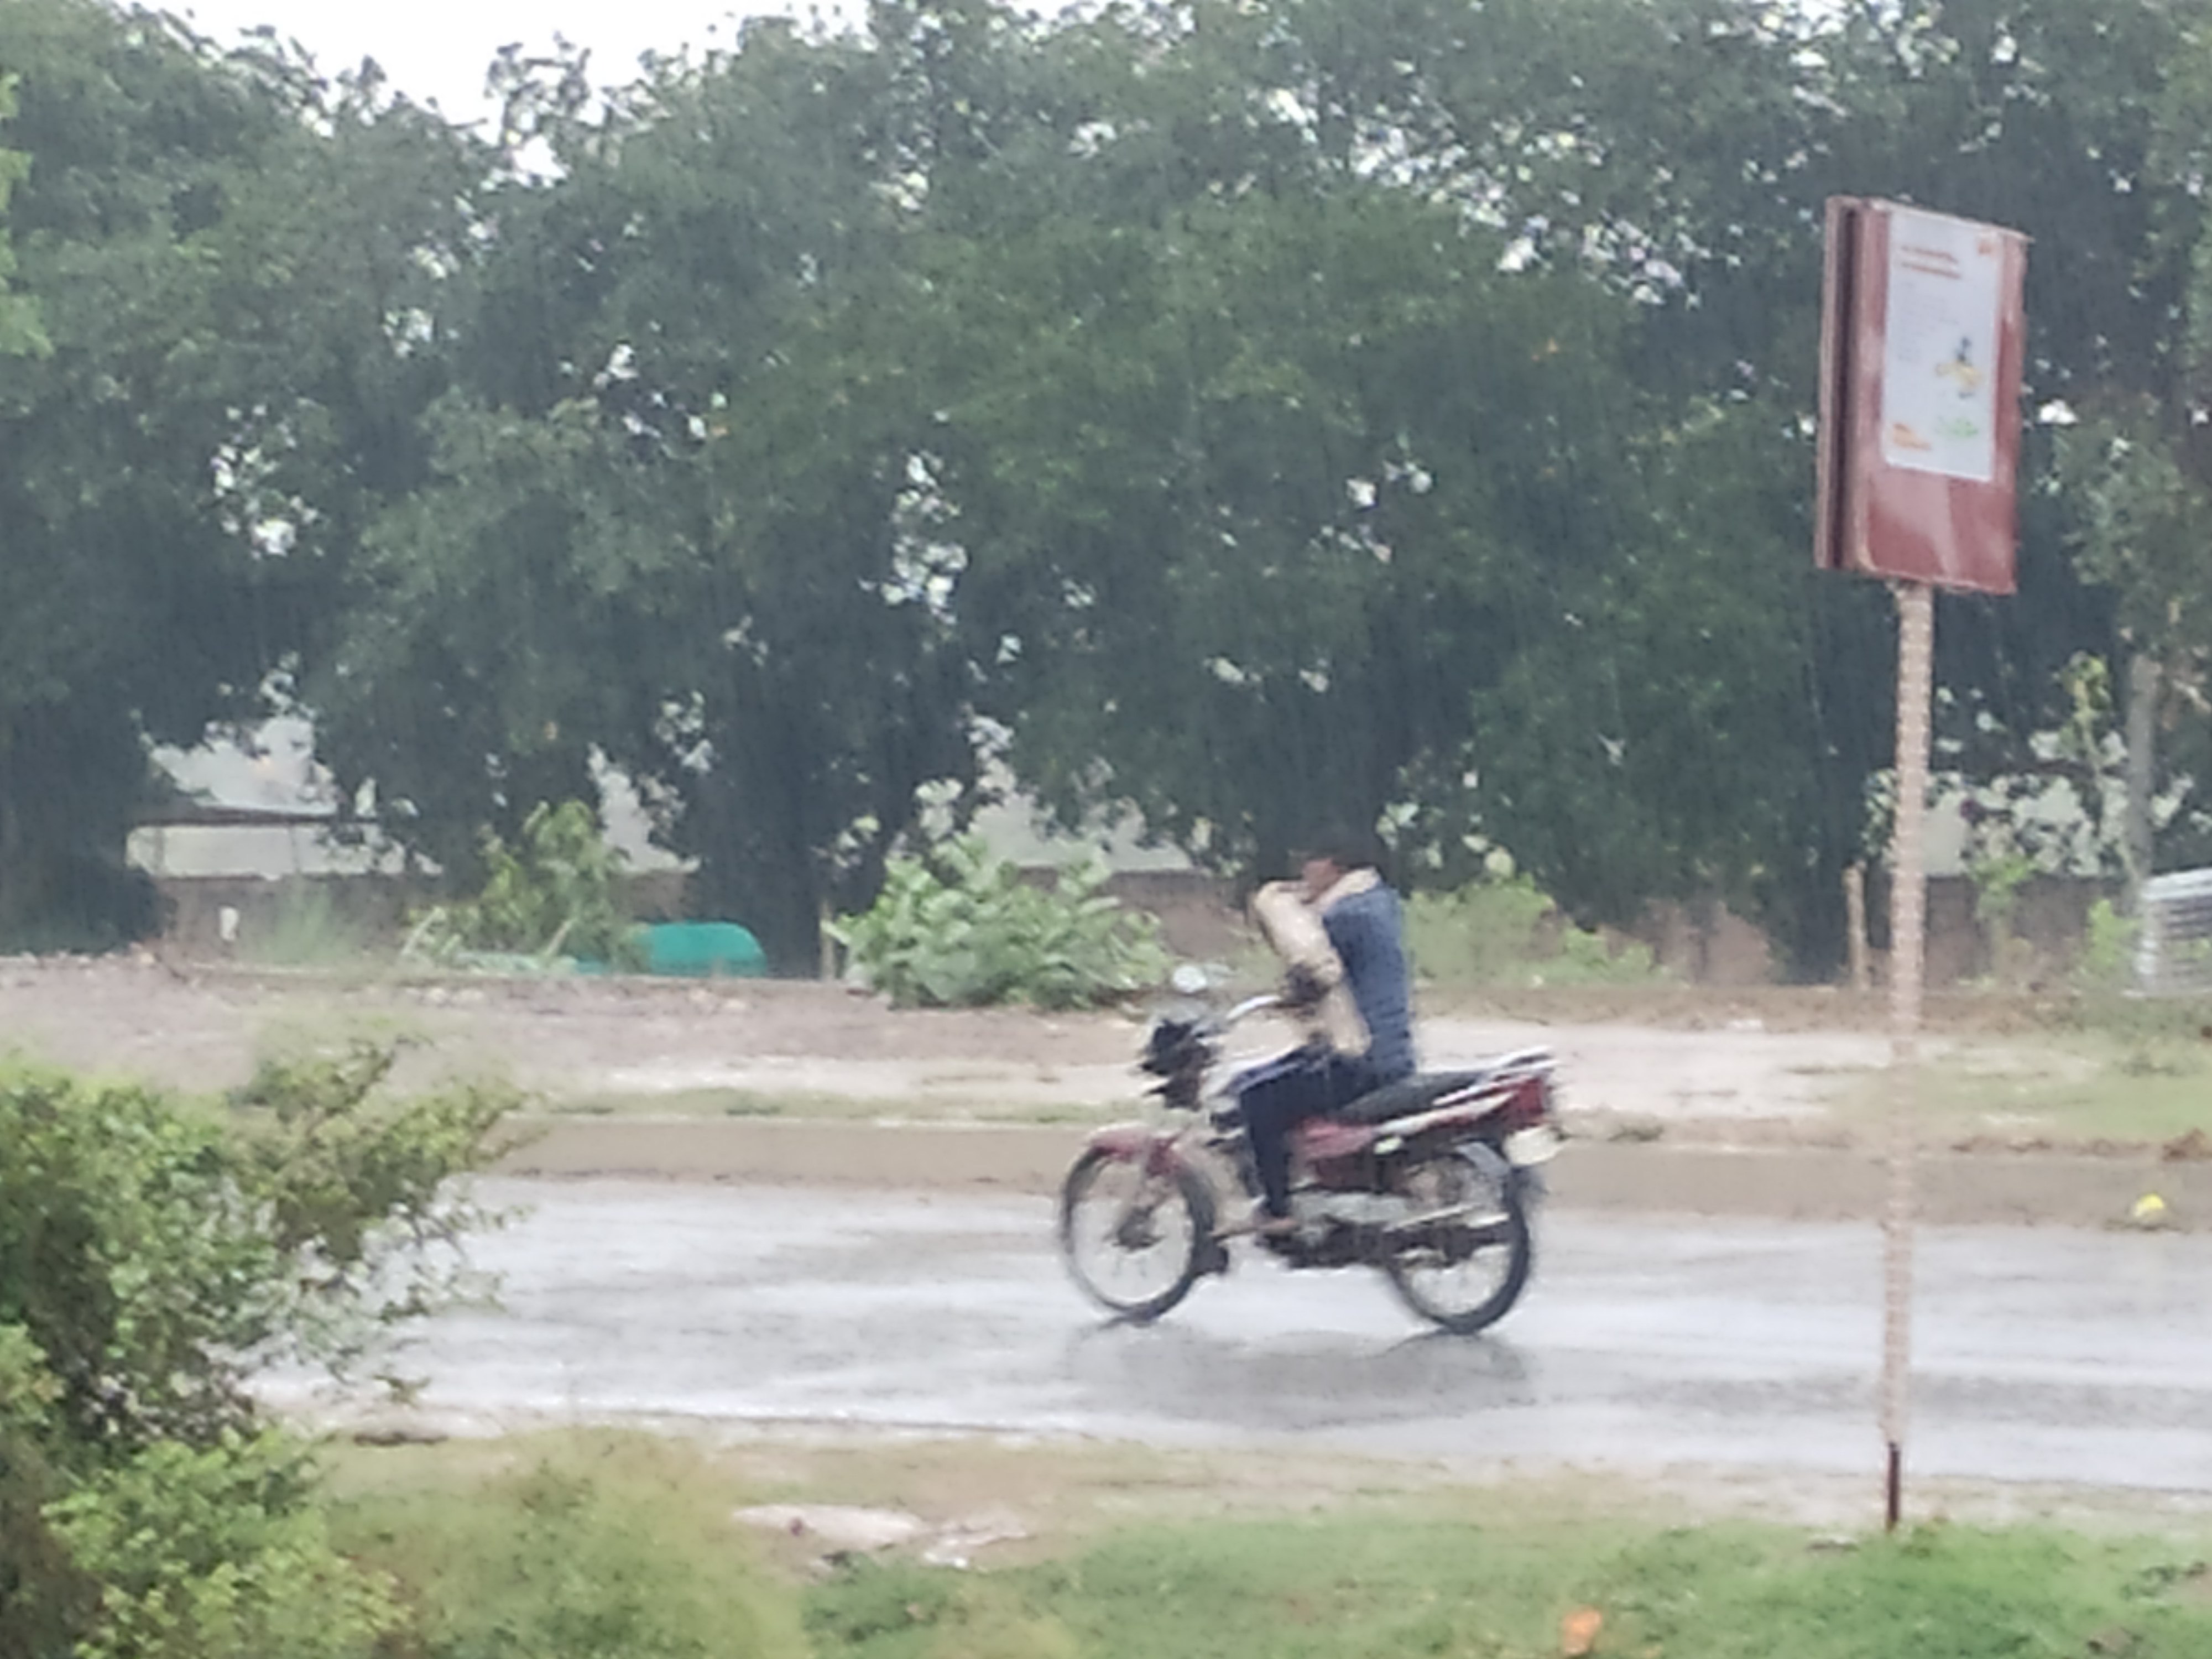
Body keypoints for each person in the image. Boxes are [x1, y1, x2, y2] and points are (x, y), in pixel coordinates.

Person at [1226, 828, 1415, 1236]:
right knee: (1288, 1073)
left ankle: (1278, 1209)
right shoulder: (1382, 903)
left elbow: (1314, 974)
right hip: (1396, 1056)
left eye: (1308, 864)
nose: (1304, 874)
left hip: (1358, 1059)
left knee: (1255, 1095)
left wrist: (1287, 996)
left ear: (1330, 866)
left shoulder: (1341, 916)